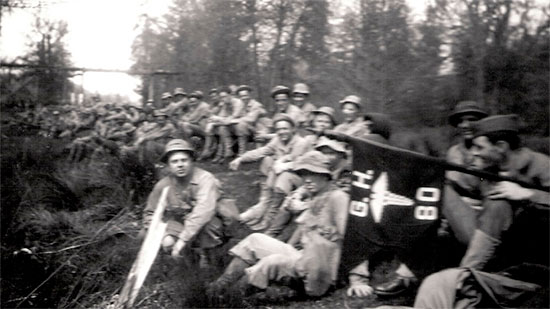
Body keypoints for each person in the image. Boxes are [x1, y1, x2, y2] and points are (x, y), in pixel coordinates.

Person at [415, 114, 550, 308]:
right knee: (438, 187)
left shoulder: (541, 164)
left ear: (501, 147)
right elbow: (462, 183)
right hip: (487, 236)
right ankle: (412, 269)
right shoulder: (489, 167)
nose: (474, 153)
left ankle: (464, 276)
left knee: (499, 204)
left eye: (480, 147)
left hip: (525, 252)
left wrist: (527, 194)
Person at [208, 150, 349, 299]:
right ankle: (218, 288)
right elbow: (304, 229)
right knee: (255, 239)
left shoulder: (338, 198)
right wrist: (288, 247)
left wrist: (357, 279)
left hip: (320, 269)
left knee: (271, 262)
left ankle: (232, 298)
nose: (306, 179)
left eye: (312, 173)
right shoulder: (317, 196)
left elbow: (353, 240)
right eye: (303, 174)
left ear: (325, 175)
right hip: (303, 257)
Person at [142, 139, 236, 266]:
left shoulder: (205, 178)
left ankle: (214, 261)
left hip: (213, 221)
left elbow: (203, 211)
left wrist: (182, 240)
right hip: (182, 221)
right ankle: (188, 263)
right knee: (146, 235)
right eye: (174, 161)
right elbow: (150, 213)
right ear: (169, 165)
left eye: (184, 160)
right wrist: (163, 235)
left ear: (191, 161)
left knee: (209, 227)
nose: (180, 165)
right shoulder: (163, 185)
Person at [229, 113, 309, 230]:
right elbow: (262, 151)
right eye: (278, 129)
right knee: (268, 160)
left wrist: (281, 165)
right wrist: (241, 158)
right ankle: (262, 206)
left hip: (301, 180)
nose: (281, 132)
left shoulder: (300, 143)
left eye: (285, 128)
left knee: (281, 173)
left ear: (293, 129)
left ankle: (268, 217)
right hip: (280, 178)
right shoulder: (278, 140)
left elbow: (298, 164)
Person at [446, 101, 489, 207]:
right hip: (456, 208)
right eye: (460, 121)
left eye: (472, 120)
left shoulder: (489, 151)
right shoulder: (453, 152)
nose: (465, 125)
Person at [229, 85, 270, 156]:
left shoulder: (256, 105)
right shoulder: (241, 105)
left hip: (261, 129)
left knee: (259, 154)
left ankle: (246, 153)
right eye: (241, 96)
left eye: (245, 95)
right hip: (251, 129)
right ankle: (240, 152)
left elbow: (251, 119)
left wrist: (235, 120)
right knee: (237, 127)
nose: (243, 98)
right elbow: (234, 116)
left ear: (250, 95)